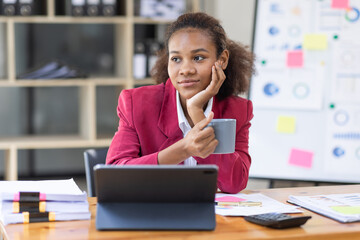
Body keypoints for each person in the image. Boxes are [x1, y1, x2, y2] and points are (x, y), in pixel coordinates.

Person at [106, 12, 255, 194]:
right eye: (176, 59)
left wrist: (197, 113)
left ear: (221, 60)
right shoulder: (136, 103)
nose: (185, 70)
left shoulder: (237, 110)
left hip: (212, 217)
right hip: (151, 214)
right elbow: (113, 175)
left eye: (198, 58)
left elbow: (235, 182)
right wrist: (184, 149)